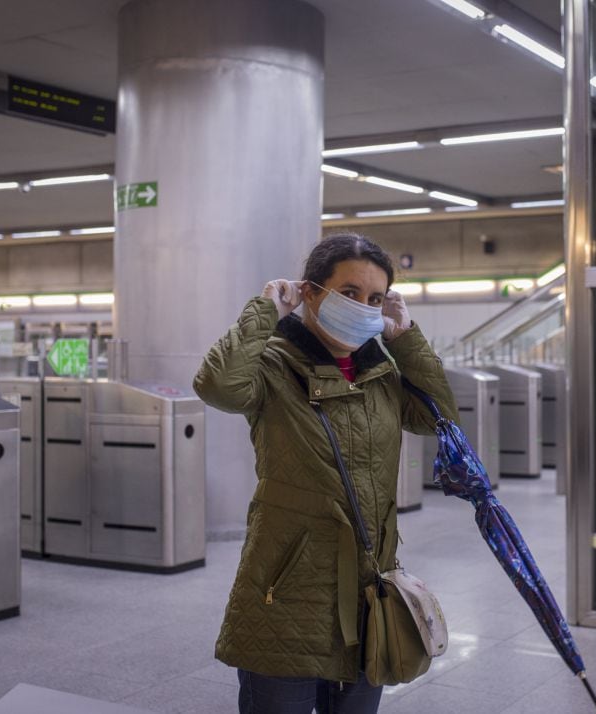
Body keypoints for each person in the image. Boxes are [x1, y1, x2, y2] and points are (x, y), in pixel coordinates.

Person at [193, 232, 457, 714]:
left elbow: (436, 416)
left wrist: (407, 338)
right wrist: (266, 310)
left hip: (369, 596)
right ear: (311, 291)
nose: (362, 306)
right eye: (350, 293)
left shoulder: (382, 373)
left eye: (375, 298)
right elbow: (218, 386)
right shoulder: (273, 365)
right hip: (286, 595)